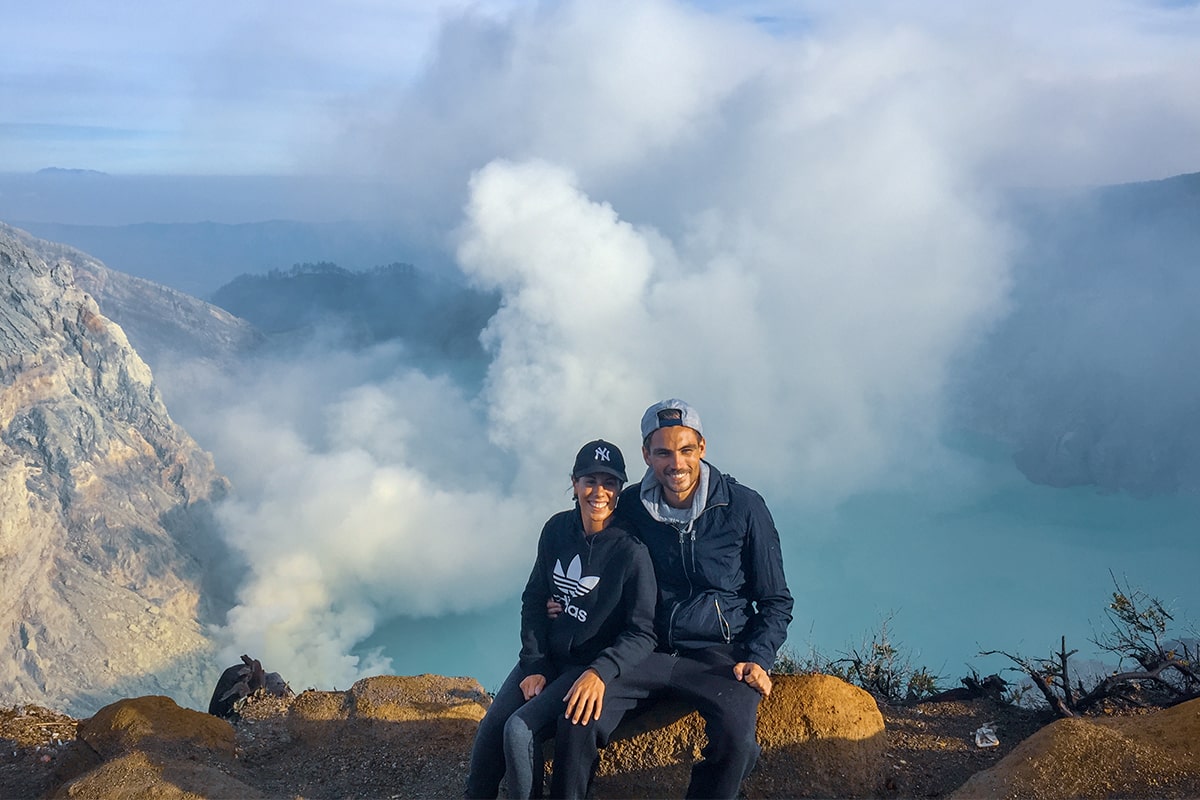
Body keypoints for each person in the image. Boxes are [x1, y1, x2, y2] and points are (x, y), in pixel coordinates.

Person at [551, 399, 793, 799]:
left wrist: (759, 657)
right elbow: (587, 546)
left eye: (685, 449)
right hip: (646, 648)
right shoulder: (629, 507)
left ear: (702, 447)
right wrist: (561, 597)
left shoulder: (742, 507)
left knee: (738, 743)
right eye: (663, 452)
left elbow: (776, 599)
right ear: (646, 455)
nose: (675, 463)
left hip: (719, 656)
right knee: (576, 720)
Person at [464, 439, 657, 799]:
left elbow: (642, 632)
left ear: (620, 489)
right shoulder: (555, 530)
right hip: (545, 657)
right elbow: (534, 599)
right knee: (492, 728)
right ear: (574, 483)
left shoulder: (631, 551)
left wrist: (602, 670)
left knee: (519, 730)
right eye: (589, 480)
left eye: (609, 482)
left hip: (582, 666)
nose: (598, 491)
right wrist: (534, 664)